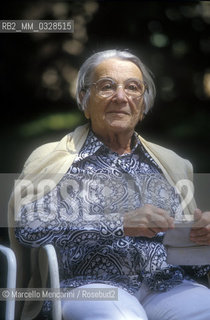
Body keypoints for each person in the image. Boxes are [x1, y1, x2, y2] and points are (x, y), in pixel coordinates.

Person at [8, 49, 210, 320]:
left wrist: (202, 238)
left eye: (133, 87)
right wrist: (118, 223)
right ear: (84, 99)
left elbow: (189, 258)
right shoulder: (56, 159)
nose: (121, 97)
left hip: (166, 284)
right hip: (87, 286)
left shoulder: (170, 164)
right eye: (106, 86)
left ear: (144, 103)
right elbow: (29, 227)